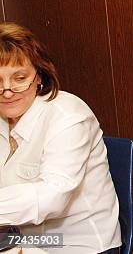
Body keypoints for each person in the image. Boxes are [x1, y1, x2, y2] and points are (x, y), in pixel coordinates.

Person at [0, 22, 121, 254]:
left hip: (77, 243)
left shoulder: (68, 116)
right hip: (23, 239)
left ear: (39, 76)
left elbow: (52, 197)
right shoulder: (3, 113)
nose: (7, 91)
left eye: (19, 77)